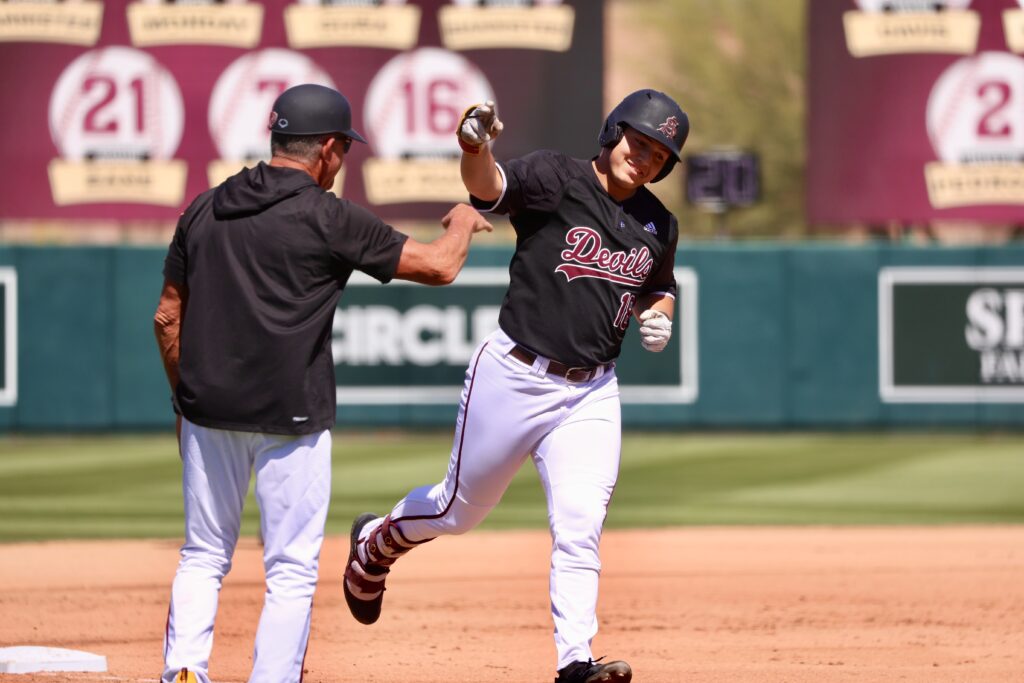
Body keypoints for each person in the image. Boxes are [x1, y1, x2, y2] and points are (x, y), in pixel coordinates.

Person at [341, 89, 687, 683]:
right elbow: (488, 186)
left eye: (661, 154)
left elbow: (659, 283)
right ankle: (375, 542)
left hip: (591, 392)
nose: (648, 158)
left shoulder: (659, 222)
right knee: (457, 510)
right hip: (515, 374)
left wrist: (661, 312)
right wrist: (476, 147)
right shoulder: (556, 177)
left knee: (579, 525)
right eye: (641, 141)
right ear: (613, 131)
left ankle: (576, 660)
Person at [152, 83, 492, 683]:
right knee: (289, 570)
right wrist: (465, 218)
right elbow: (440, 265)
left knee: (203, 555)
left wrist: (185, 398)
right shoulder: (327, 216)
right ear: (329, 148)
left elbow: (167, 317)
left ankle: (184, 670)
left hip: (209, 412)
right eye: (345, 151)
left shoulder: (202, 208)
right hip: (292, 417)